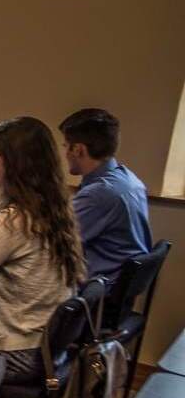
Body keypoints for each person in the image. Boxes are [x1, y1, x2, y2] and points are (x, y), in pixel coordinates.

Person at [0, 117, 86, 384]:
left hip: (14, 354)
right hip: (45, 349)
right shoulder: (56, 211)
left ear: (15, 167)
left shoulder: (11, 221)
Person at [59, 108, 152, 283]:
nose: (65, 154)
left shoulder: (99, 194)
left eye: (65, 146)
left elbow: (56, 241)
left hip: (98, 292)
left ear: (78, 149)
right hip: (120, 284)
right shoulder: (128, 179)